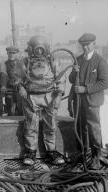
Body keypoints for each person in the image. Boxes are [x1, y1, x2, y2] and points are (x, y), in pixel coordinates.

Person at [15, 35, 66, 165]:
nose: (38, 52)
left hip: (50, 97)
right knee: (30, 125)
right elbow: (17, 78)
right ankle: (31, 152)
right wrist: (20, 87)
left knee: (51, 125)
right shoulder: (24, 62)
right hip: (30, 97)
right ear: (31, 48)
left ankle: (51, 151)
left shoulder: (53, 61)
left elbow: (61, 79)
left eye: (41, 49)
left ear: (46, 48)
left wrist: (59, 95)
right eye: (36, 49)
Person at [68, 33, 108, 169]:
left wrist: (85, 89)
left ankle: (96, 157)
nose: (85, 47)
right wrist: (74, 72)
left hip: (92, 102)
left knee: (93, 129)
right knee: (80, 128)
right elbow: (71, 80)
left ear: (94, 44)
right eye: (83, 45)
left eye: (88, 44)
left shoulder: (100, 61)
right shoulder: (78, 60)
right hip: (79, 102)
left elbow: (104, 83)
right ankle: (82, 154)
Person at [4, 45, 23, 116]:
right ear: (7, 54)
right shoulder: (4, 64)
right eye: (10, 53)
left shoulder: (22, 64)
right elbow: (3, 77)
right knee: (11, 110)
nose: (11, 55)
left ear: (17, 54)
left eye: (13, 53)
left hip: (20, 89)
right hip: (9, 90)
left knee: (21, 109)